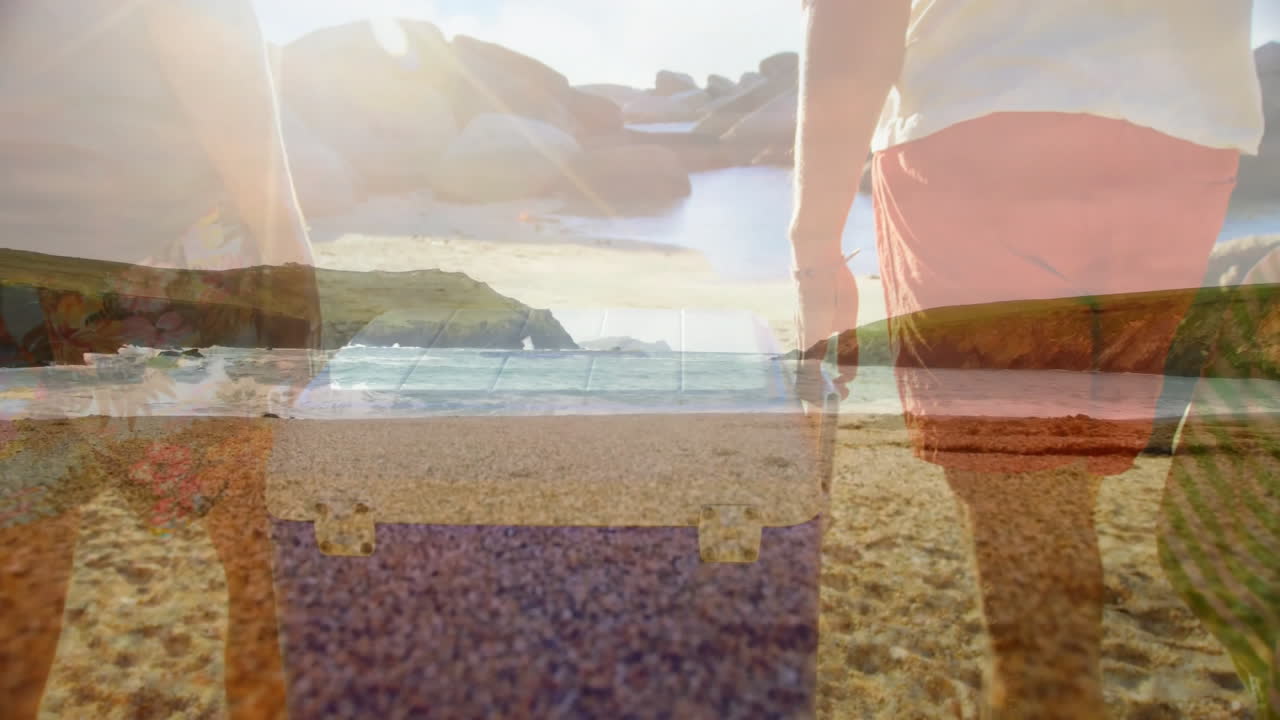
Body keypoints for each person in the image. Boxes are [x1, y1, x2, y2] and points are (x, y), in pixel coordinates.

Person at [791, 0, 1265, 717]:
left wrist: (815, 251)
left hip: (983, 117)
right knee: (1059, 483)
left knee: (1029, 512)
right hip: (1182, 134)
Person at [0, 2, 318, 718]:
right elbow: (234, 100)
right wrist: (299, 280)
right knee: (251, 554)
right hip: (152, 273)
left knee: (23, 575)